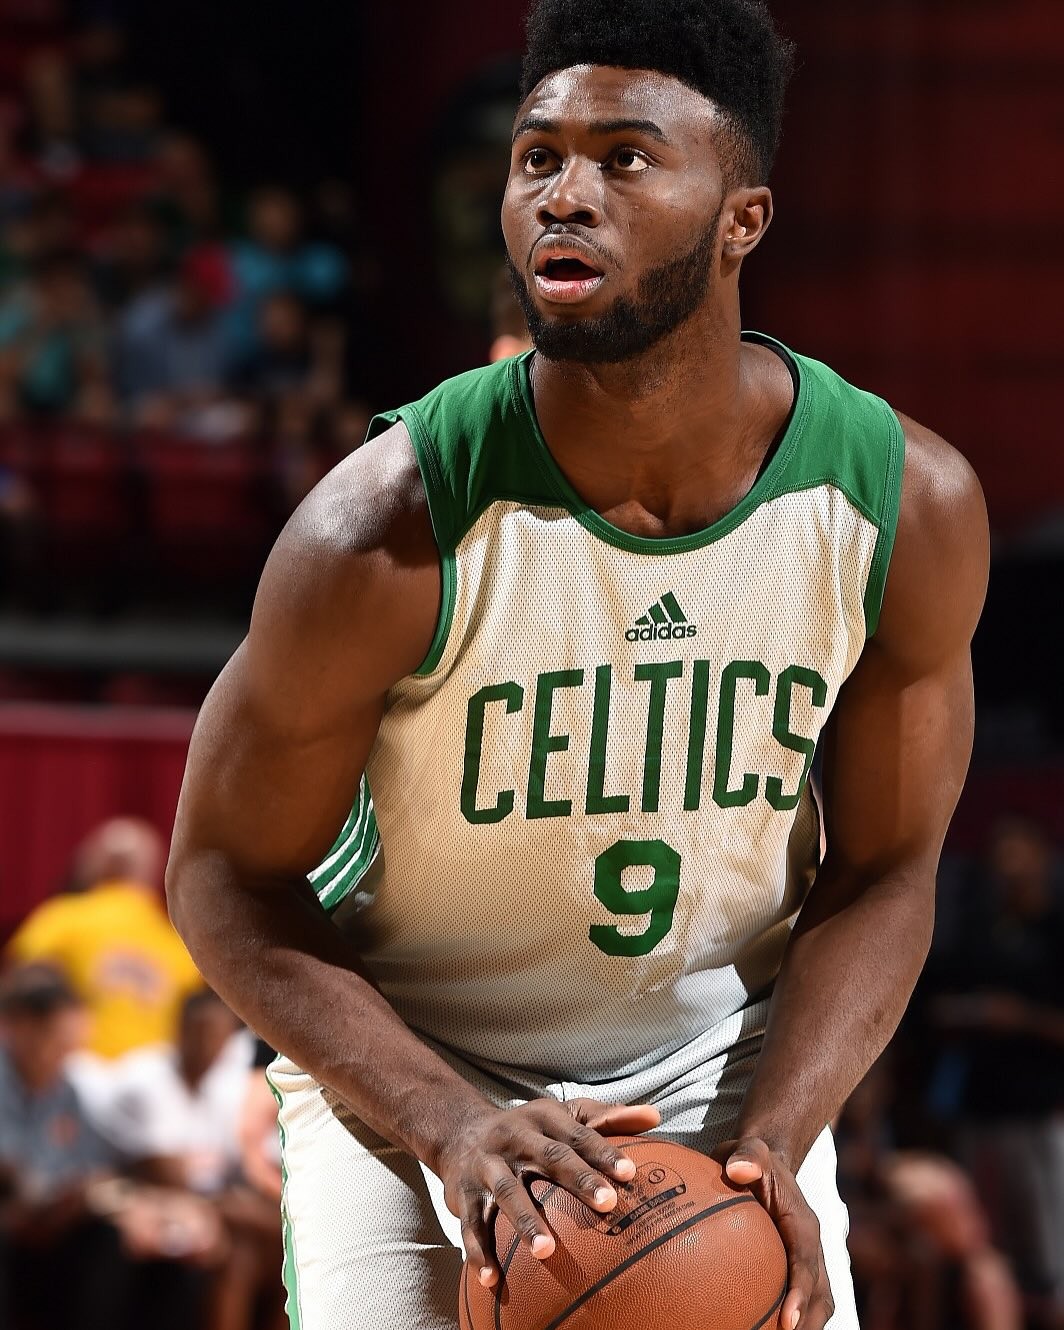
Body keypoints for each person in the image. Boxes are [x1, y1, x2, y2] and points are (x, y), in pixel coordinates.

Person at [165, 2, 989, 1328]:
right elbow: (223, 875)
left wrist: (778, 1135)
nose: (563, 194)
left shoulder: (903, 506)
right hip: (419, 1060)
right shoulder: (380, 528)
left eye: (625, 158)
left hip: (724, 1068)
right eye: (537, 157)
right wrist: (444, 1119)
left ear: (742, 219)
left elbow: (886, 869)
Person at [7, 817, 202, 1058]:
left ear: (104, 865)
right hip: (155, 1066)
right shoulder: (178, 940)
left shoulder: (63, 918)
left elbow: (18, 980)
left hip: (80, 1063)